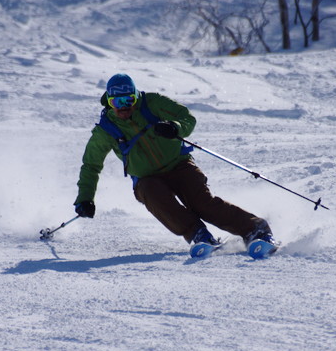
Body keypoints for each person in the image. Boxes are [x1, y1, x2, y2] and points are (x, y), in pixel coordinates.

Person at [73, 73, 275, 253]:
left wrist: (174, 127)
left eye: (129, 99)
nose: (124, 106)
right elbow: (91, 165)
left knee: (202, 204)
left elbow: (187, 118)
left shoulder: (152, 103)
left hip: (179, 165)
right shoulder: (106, 129)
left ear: (136, 96)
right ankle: (199, 235)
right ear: (109, 102)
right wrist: (85, 198)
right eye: (117, 102)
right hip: (147, 178)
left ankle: (255, 229)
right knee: (153, 194)